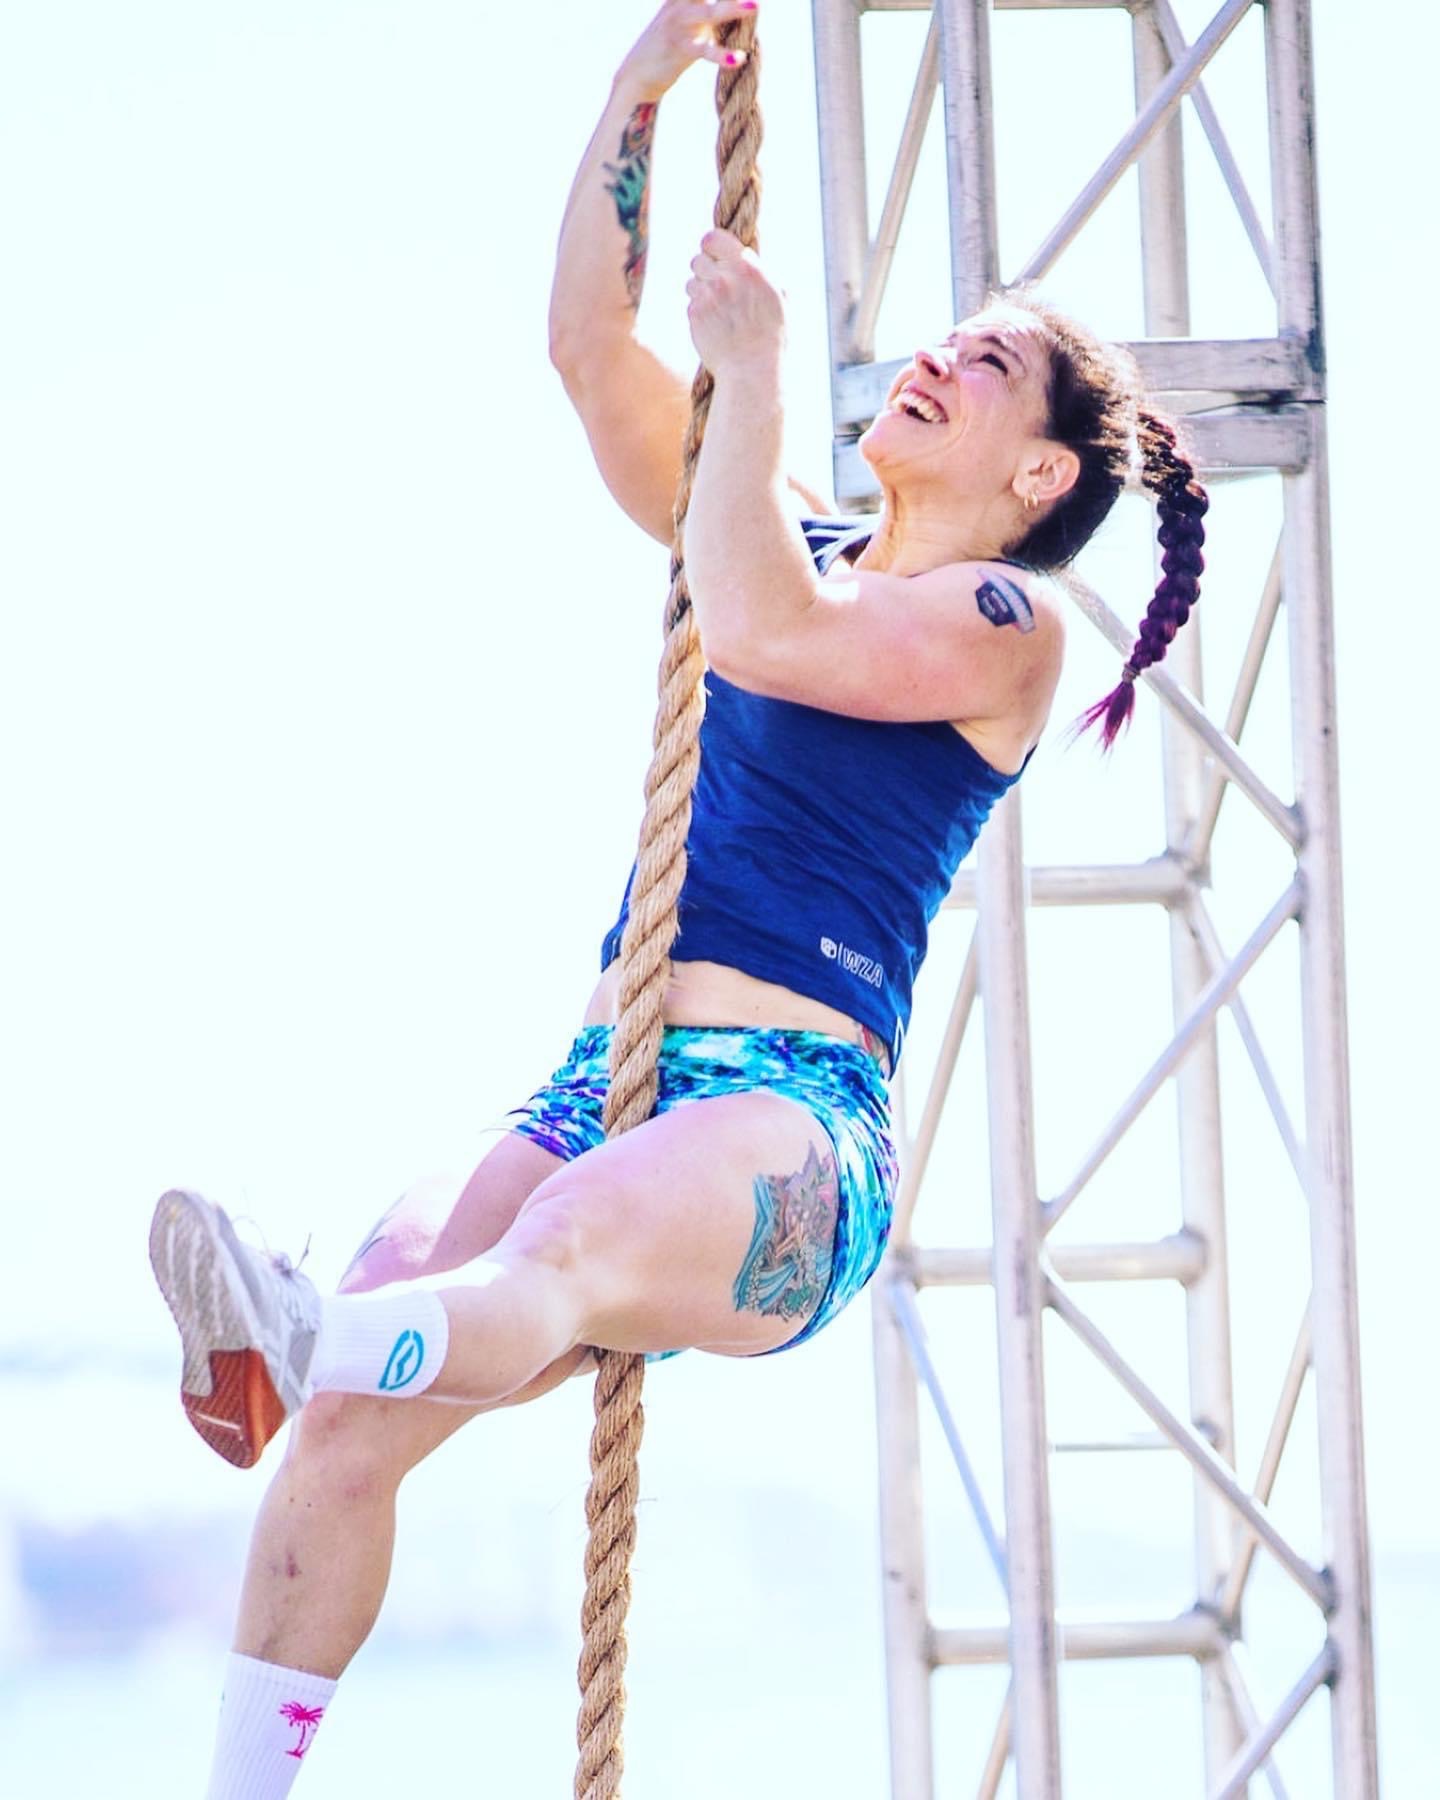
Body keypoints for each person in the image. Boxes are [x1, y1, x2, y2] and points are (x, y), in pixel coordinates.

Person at [148, 3, 1208, 1794]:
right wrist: (636, 90)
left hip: (788, 1129)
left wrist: (763, 392)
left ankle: (311, 1317)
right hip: (607, 1083)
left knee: (541, 1264)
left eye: (982, 365)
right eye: (943, 338)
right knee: (337, 1441)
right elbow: (587, 348)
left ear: (1038, 475)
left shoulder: (1010, 636)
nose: (934, 359)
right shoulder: (765, 515)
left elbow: (768, 628)